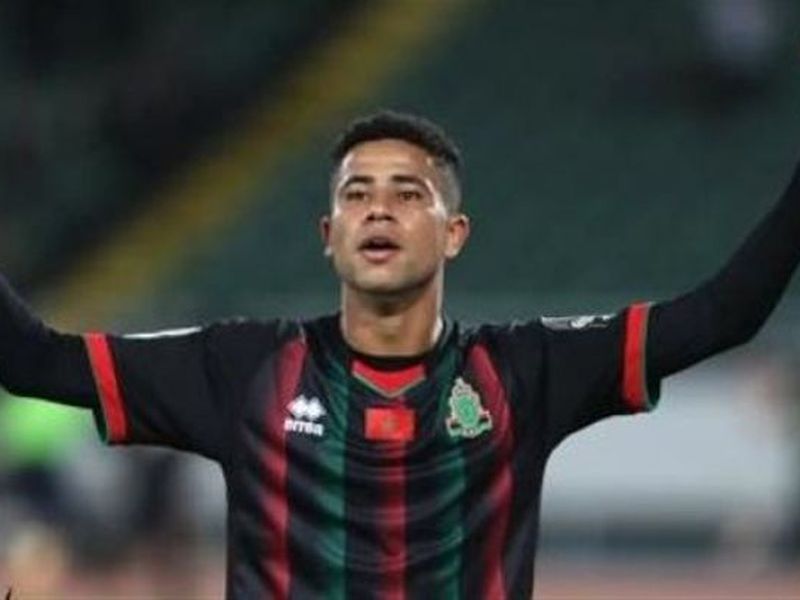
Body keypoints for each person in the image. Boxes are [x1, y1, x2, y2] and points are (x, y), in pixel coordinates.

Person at [1, 110, 799, 599]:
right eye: (356, 194)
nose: (378, 208)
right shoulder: (243, 367)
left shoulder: (526, 370)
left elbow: (721, 315)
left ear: (455, 234)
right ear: (329, 235)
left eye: (408, 193)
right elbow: (34, 362)